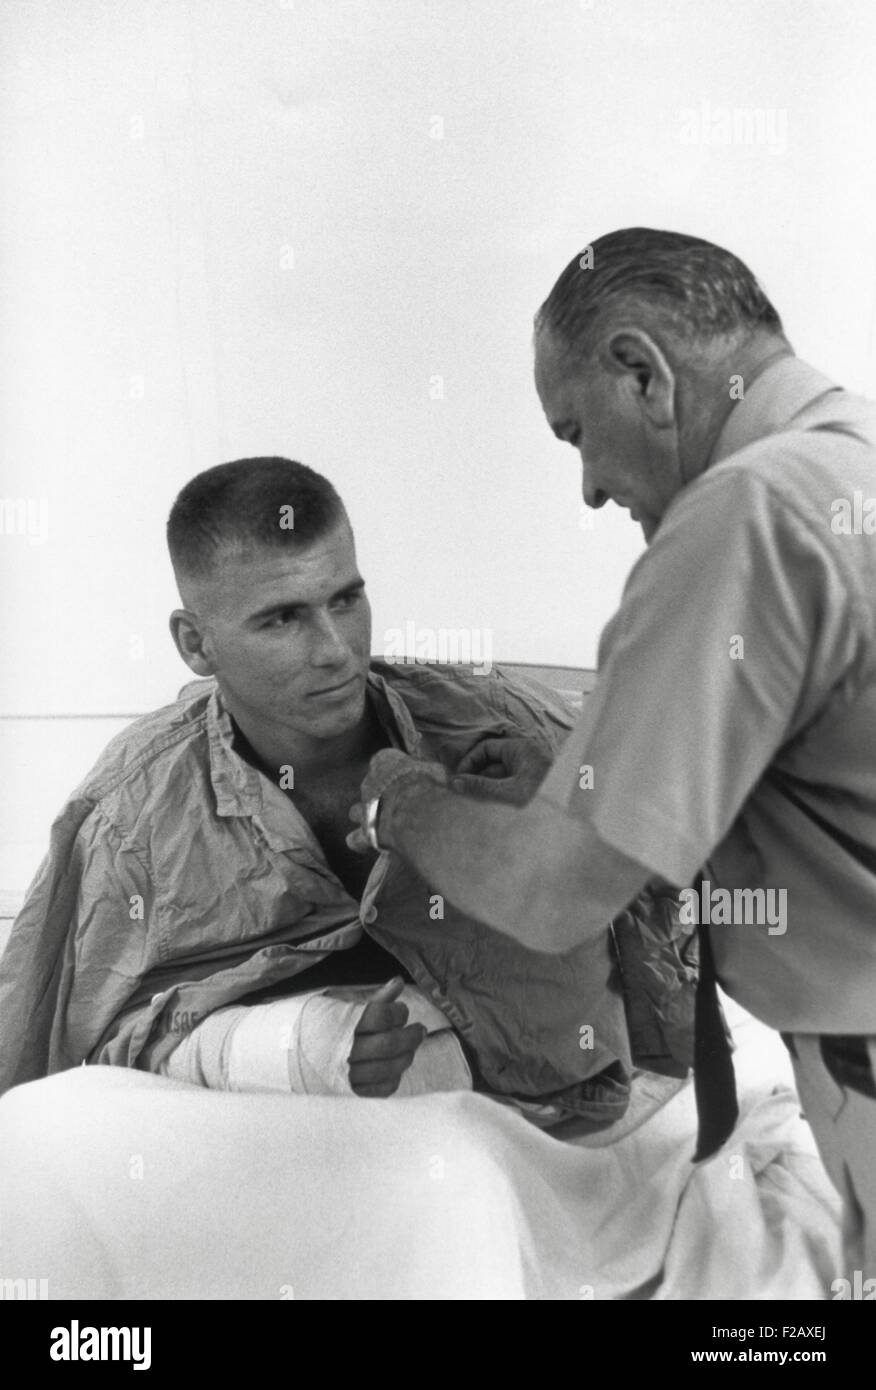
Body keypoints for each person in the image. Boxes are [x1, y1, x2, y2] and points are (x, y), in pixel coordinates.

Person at [347, 228, 876, 1281]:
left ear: (645, 370)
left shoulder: (742, 515)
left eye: (577, 431)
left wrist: (401, 803)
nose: (589, 486)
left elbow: (553, 896)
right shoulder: (846, 457)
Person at [0, 457, 694, 1125]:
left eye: (346, 599)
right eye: (283, 618)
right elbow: (67, 1064)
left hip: (538, 1131)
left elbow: (671, 947)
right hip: (262, 1169)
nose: (334, 648)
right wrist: (295, 1045)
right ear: (196, 644)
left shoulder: (504, 729)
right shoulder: (132, 817)